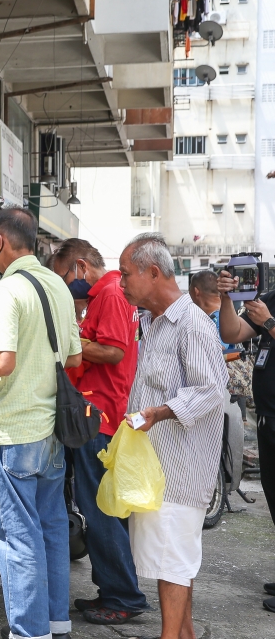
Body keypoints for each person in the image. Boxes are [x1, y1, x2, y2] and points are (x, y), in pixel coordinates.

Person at [0, 206, 82, 639]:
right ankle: (55, 623)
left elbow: (4, 361)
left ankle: (30, 632)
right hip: (53, 429)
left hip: (15, 430)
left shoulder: (8, 290)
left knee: (17, 536)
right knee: (51, 527)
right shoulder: (58, 286)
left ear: (1, 242)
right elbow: (74, 358)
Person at [120, 233, 226, 639]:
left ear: (153, 272)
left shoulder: (191, 323)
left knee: (173, 566)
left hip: (180, 473)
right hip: (158, 469)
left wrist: (159, 413)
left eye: (126, 274)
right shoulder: (152, 322)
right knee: (172, 564)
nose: (122, 283)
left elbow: (211, 390)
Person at [49, 239, 148, 625]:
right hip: (102, 413)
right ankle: (113, 590)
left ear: (79, 266)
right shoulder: (110, 293)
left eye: (63, 277)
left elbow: (113, 352)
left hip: (99, 416)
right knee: (103, 507)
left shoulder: (108, 293)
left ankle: (123, 595)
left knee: (100, 509)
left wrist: (70, 340)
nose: (63, 286)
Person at [215, 264, 275, 612]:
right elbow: (232, 331)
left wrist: (269, 323)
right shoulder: (267, 299)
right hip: (267, 421)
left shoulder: (268, 309)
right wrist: (227, 297)